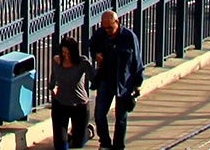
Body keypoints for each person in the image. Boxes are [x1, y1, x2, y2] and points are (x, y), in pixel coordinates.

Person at [88, 10, 142, 150]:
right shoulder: (100, 34)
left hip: (124, 83)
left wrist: (137, 85)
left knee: (121, 118)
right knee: (99, 114)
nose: (107, 31)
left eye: (110, 27)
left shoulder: (129, 37)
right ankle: (105, 143)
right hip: (105, 79)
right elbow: (92, 46)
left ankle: (118, 146)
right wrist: (96, 55)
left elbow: (137, 62)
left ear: (117, 22)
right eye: (104, 27)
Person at [49, 37, 95, 149]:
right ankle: (66, 136)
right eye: (64, 53)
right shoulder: (56, 61)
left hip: (79, 105)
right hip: (60, 104)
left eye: (69, 53)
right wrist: (52, 88)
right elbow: (53, 78)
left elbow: (94, 79)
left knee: (78, 144)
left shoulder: (82, 62)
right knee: (60, 145)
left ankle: (88, 131)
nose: (66, 56)